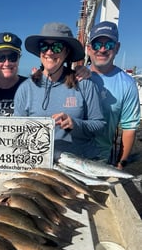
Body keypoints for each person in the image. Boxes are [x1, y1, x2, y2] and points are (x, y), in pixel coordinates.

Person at [14, 22, 106, 162]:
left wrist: (75, 124)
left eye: (57, 47)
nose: (49, 52)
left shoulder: (84, 84)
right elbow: (16, 131)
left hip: (81, 162)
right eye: (44, 46)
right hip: (40, 163)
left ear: (66, 52)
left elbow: (99, 125)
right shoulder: (25, 88)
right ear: (40, 51)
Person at [86, 21, 141, 169]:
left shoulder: (127, 84)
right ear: (89, 49)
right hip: (69, 156)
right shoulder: (74, 76)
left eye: (108, 44)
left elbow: (129, 127)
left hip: (101, 160)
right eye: (97, 45)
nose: (102, 50)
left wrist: (121, 163)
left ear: (117, 48)